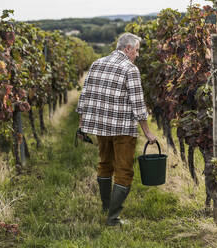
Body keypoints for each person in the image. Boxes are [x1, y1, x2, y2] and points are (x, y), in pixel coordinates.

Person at [76, 32, 157, 226]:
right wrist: (147, 131)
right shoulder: (130, 69)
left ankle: (107, 208)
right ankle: (113, 218)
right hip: (122, 129)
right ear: (127, 49)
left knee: (105, 164)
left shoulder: (97, 63)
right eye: (136, 50)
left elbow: (85, 95)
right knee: (124, 170)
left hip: (101, 127)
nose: (137, 55)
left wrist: (81, 124)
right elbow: (138, 104)